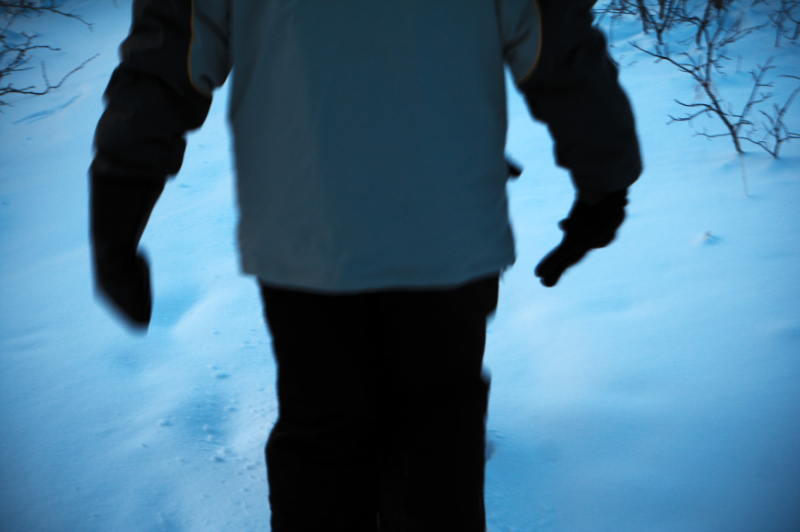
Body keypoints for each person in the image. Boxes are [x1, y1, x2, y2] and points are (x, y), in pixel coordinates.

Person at [89, 1, 642, 530]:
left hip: (306, 229)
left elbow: (170, 52)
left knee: (324, 432)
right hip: (445, 226)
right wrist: (605, 182)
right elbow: (553, 39)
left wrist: (120, 198)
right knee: (435, 438)